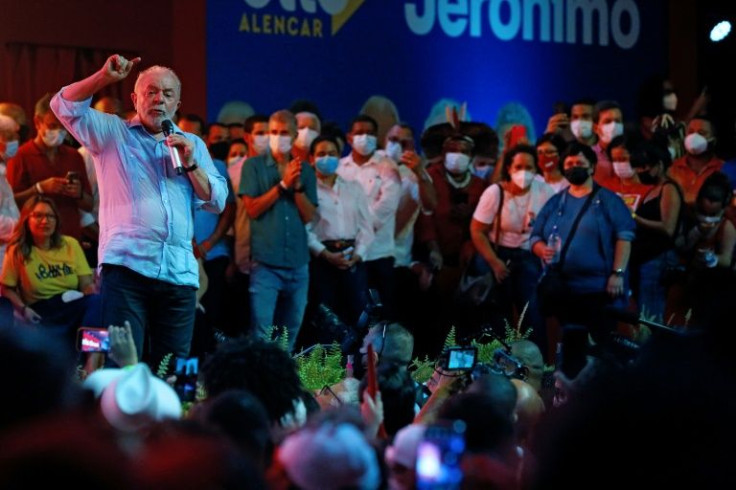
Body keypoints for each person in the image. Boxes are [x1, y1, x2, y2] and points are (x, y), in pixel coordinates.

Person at [50, 54, 228, 367]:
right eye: (151, 91)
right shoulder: (111, 133)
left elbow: (216, 200)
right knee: (123, 363)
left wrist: (190, 163)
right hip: (127, 267)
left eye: (167, 94)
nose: (159, 99)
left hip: (180, 272)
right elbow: (62, 105)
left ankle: (172, 414)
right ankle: (118, 415)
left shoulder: (193, 144)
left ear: (178, 103)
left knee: (177, 366)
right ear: (135, 98)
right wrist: (103, 77)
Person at [531, 142, 635, 343]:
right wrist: (541, 249)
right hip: (564, 289)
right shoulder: (556, 201)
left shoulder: (609, 200)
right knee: (570, 345)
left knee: (601, 343)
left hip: (599, 289)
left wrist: (618, 273)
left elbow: (625, 236)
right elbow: (535, 236)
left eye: (579, 162)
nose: (573, 167)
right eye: (569, 163)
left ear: (592, 167)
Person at [241, 109, 317, 350]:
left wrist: (295, 188)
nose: (278, 137)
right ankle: (258, 384)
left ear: (295, 135)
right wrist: (282, 185)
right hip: (266, 264)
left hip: (298, 263)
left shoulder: (305, 170)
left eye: (284, 133)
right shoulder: (253, 166)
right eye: (273, 132)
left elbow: (308, 216)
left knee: (290, 334)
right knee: (261, 333)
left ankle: (281, 384)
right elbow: (252, 209)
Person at [470, 144, 556, 350]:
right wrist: (494, 262)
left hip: (529, 254)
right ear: (509, 168)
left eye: (529, 167)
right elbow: (477, 231)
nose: (524, 172)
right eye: (518, 167)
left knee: (532, 313)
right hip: (498, 254)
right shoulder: (495, 192)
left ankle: (538, 367)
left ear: (536, 170)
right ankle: (498, 367)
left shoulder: (544, 191)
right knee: (498, 316)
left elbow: (553, 228)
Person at [0, 196, 100, 350]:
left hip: (70, 302)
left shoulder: (70, 244)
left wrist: (90, 293)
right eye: (38, 215)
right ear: (27, 219)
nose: (45, 221)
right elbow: (6, 288)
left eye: (50, 216)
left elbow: (86, 283)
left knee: (98, 303)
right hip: (41, 311)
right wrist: (23, 309)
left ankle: (92, 362)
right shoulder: (17, 251)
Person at [306, 135, 373, 327]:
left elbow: (366, 227)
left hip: (352, 258)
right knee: (325, 318)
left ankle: (357, 357)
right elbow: (305, 229)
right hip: (322, 260)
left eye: (332, 153)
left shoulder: (353, 187)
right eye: (321, 154)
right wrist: (325, 254)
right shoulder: (307, 189)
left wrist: (358, 255)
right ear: (312, 158)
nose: (327, 158)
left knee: (358, 316)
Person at [7, 93, 93, 242]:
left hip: (70, 241)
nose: (59, 132)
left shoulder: (74, 156)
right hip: (35, 243)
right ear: (37, 122)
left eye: (63, 126)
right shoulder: (20, 156)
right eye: (53, 126)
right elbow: (10, 205)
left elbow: (89, 205)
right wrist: (39, 189)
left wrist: (78, 194)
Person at [338, 115, 401, 318]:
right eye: (359, 133)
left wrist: (359, 231)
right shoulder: (339, 168)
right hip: (347, 254)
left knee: (383, 314)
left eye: (370, 133)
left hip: (379, 253)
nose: (365, 137)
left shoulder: (389, 167)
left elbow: (387, 205)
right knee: (352, 312)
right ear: (349, 138)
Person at [629, 142, 682, 321]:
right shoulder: (653, 189)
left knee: (651, 312)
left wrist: (635, 218)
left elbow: (668, 228)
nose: (640, 171)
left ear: (659, 164)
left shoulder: (669, 189)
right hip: (643, 259)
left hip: (657, 259)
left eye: (644, 166)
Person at [667, 116, 723, 206]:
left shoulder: (723, 169)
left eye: (701, 133)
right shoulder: (671, 169)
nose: (694, 137)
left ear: (713, 140)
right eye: (691, 132)